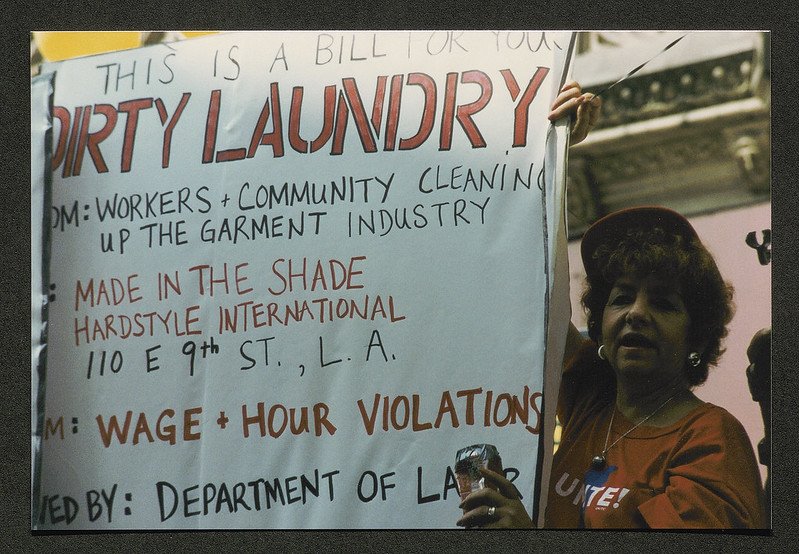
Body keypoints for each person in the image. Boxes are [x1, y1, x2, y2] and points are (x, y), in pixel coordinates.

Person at [456, 83, 766, 529]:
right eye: (621, 298)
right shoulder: (591, 397)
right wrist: (556, 153)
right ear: (599, 322)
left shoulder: (712, 440)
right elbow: (531, 274)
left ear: (697, 335)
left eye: (662, 303)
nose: (636, 313)